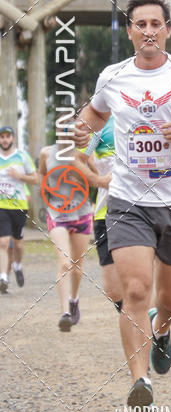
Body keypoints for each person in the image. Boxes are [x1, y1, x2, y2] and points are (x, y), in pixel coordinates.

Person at [73, 0, 171, 410]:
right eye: (141, 24)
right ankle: (140, 380)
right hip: (128, 200)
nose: (149, 31)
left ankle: (164, 329)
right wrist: (82, 132)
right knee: (136, 290)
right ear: (131, 30)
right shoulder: (113, 77)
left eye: (157, 24)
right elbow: (94, 117)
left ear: (168, 30)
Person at [39, 142, 92, 331]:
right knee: (65, 263)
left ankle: (74, 299)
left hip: (82, 213)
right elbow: (41, 175)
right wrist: (43, 188)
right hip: (57, 213)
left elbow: (98, 178)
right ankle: (65, 313)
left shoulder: (83, 154)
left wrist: (85, 179)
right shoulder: (46, 153)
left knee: (77, 267)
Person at [75, 115, 124, 312]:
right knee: (113, 289)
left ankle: (151, 333)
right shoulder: (100, 127)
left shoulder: (151, 117)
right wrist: (99, 181)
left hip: (145, 210)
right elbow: (77, 160)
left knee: (140, 285)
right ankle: (143, 324)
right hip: (107, 213)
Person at [0, 126, 38, 294]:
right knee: (2, 243)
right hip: (2, 207)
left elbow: (36, 179)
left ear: (13, 138)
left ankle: (17, 264)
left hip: (20, 207)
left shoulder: (22, 157)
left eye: (7, 136)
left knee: (18, 245)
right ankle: (3, 277)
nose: (5, 140)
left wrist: (19, 176)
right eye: (2, 137)